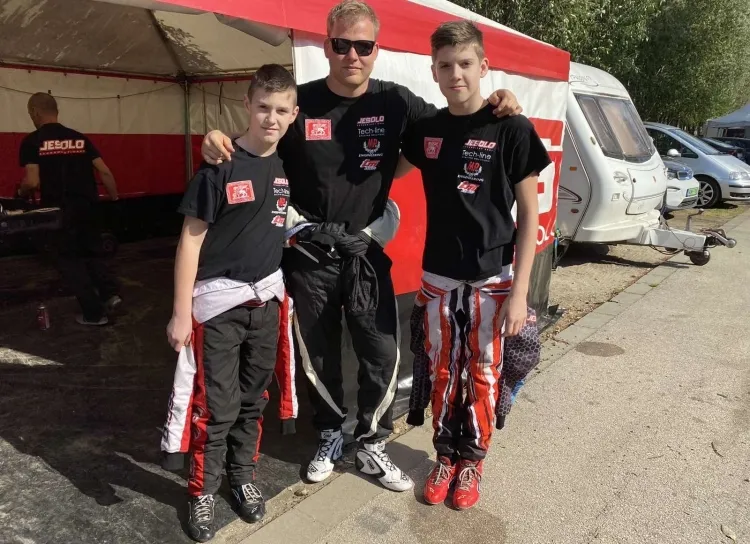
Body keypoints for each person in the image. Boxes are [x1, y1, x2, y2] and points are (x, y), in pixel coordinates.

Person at [200, 0, 523, 492]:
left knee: (381, 352)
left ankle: (372, 442)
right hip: (309, 253)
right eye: (342, 44)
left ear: (376, 50)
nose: (352, 54)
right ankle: (330, 434)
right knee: (320, 355)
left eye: (364, 45)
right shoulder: (300, 102)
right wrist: (217, 139)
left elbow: (454, 123)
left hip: (365, 253)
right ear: (327, 45)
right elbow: (256, 141)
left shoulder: (397, 101)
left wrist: (499, 100)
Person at [397, 20, 551, 510]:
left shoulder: (512, 127)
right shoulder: (426, 130)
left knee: (484, 373)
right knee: (443, 372)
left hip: (494, 280)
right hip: (439, 279)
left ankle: (473, 461)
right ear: (434, 72)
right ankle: (445, 457)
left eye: (465, 63)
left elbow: (530, 216)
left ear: (484, 66)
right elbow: (382, 171)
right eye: (445, 66)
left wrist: (521, 293)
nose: (456, 74)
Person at [164, 64, 299, 543]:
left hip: (267, 306)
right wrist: (180, 312)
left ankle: (242, 477)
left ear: (294, 114)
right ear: (246, 105)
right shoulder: (218, 165)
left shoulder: (290, 163)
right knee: (215, 407)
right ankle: (202, 489)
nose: (271, 118)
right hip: (218, 309)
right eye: (263, 107)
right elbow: (190, 240)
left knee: (252, 401)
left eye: (281, 110)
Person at [18, 92, 121, 325]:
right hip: (88, 206)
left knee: (69, 261)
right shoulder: (79, 138)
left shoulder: (32, 141)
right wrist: (115, 199)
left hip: (58, 212)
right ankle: (110, 295)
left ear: (35, 112)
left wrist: (21, 193)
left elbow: (32, 182)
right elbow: (104, 171)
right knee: (92, 252)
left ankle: (94, 315)